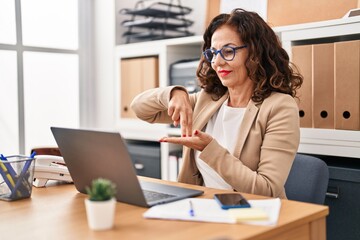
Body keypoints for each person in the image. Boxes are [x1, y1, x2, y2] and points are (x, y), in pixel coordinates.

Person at [130, 8, 303, 198]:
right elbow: (140, 109)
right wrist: (174, 93)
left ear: (255, 52)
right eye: (213, 53)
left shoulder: (280, 107)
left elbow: (267, 189)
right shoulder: (208, 100)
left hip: (251, 214)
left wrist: (210, 149)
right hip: (203, 208)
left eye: (228, 51)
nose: (217, 62)